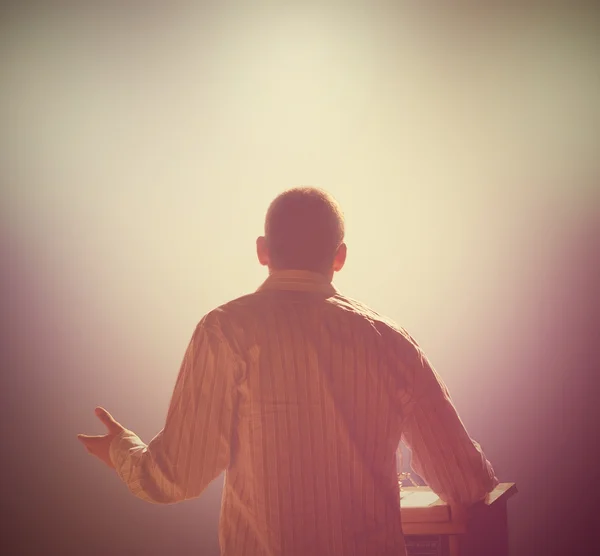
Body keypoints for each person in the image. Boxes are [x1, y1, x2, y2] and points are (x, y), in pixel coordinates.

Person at [78, 187, 498, 556]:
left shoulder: (225, 331)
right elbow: (466, 483)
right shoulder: (390, 341)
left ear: (262, 250)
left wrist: (122, 450)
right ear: (340, 256)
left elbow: (175, 477)